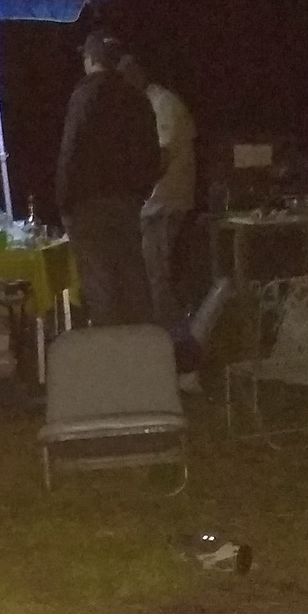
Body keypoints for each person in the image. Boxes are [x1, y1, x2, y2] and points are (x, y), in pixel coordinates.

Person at [54, 30, 159, 326]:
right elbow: (152, 155)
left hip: (88, 205)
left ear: (90, 59)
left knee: (100, 282)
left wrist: (63, 202)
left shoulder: (85, 95)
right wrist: (139, 194)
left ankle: (110, 346)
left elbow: (71, 151)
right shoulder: (137, 98)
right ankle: (143, 344)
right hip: (126, 203)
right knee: (132, 278)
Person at [118, 53, 200, 388]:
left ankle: (184, 360)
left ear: (135, 74)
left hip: (163, 205)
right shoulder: (143, 106)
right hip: (153, 206)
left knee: (157, 282)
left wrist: (132, 190)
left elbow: (161, 157)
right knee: (152, 283)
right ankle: (164, 358)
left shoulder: (163, 103)